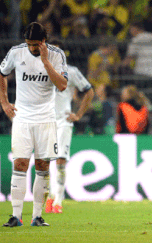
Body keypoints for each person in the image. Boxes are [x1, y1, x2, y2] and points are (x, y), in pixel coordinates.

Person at [0, 22, 68, 227]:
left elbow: (62, 85)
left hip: (46, 118)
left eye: (35, 45)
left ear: (43, 41)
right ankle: (16, 215)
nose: (31, 49)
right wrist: (3, 102)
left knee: (42, 165)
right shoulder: (16, 52)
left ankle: (37, 216)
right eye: (29, 44)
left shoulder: (56, 55)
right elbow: (2, 74)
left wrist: (46, 62)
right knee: (19, 164)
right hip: (22, 117)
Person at [45, 39, 94, 214]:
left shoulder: (71, 72)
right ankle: (51, 196)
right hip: (44, 122)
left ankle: (57, 201)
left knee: (59, 161)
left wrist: (78, 114)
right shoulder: (39, 71)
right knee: (45, 161)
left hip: (63, 122)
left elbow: (89, 91)